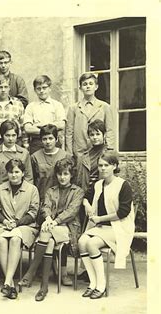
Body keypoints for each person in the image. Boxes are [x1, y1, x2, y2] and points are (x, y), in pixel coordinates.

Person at [19, 158, 84, 301]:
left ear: (71, 175)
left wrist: (54, 221)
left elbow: (72, 211)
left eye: (66, 174)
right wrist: (48, 219)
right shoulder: (51, 190)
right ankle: (44, 287)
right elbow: (45, 206)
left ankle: (31, 272)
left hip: (69, 228)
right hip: (51, 228)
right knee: (48, 242)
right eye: (60, 174)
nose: (62, 177)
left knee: (45, 231)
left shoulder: (77, 191)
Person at [78, 151, 134, 299]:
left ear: (114, 166)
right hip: (101, 227)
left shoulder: (123, 185)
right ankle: (93, 283)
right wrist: (87, 205)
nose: (102, 168)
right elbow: (86, 197)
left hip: (119, 226)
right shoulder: (97, 185)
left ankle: (101, 285)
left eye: (106, 165)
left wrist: (101, 218)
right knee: (81, 242)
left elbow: (123, 212)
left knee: (91, 244)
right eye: (100, 165)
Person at [0, 159, 39, 300]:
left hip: (25, 226)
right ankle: (10, 284)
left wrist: (17, 223)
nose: (14, 175)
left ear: (23, 173)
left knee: (15, 239)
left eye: (17, 172)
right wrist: (5, 221)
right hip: (3, 225)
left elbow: (33, 212)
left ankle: (6, 282)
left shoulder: (32, 189)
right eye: (11, 172)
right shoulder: (0, 189)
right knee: (1, 240)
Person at [65, 73, 115, 159]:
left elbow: (110, 130)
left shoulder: (104, 107)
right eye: (85, 84)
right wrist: (69, 153)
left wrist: (109, 151)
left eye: (91, 84)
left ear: (96, 87)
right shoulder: (73, 108)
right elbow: (69, 133)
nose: (88, 86)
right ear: (80, 88)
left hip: (99, 152)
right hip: (80, 153)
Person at [22, 75, 66, 154]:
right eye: (39, 88)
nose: (41, 91)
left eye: (44, 88)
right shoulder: (30, 107)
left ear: (49, 88)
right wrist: (50, 128)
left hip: (54, 142)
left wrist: (41, 125)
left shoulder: (57, 105)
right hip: (37, 143)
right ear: (35, 90)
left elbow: (61, 124)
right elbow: (28, 128)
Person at [0, 120, 33, 189]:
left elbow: (28, 177)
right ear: (2, 135)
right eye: (7, 135)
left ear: (17, 136)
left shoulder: (24, 153)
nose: (10, 139)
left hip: (20, 193)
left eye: (13, 135)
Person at [31, 124, 68, 203]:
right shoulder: (35, 157)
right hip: (42, 199)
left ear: (56, 139)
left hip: (61, 199)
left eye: (51, 138)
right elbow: (32, 180)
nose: (48, 142)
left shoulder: (65, 156)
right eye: (44, 139)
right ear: (41, 140)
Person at [75, 120, 108, 192]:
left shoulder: (109, 154)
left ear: (104, 135)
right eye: (92, 135)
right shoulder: (84, 156)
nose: (95, 137)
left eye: (98, 134)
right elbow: (79, 179)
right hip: (87, 193)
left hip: (103, 193)